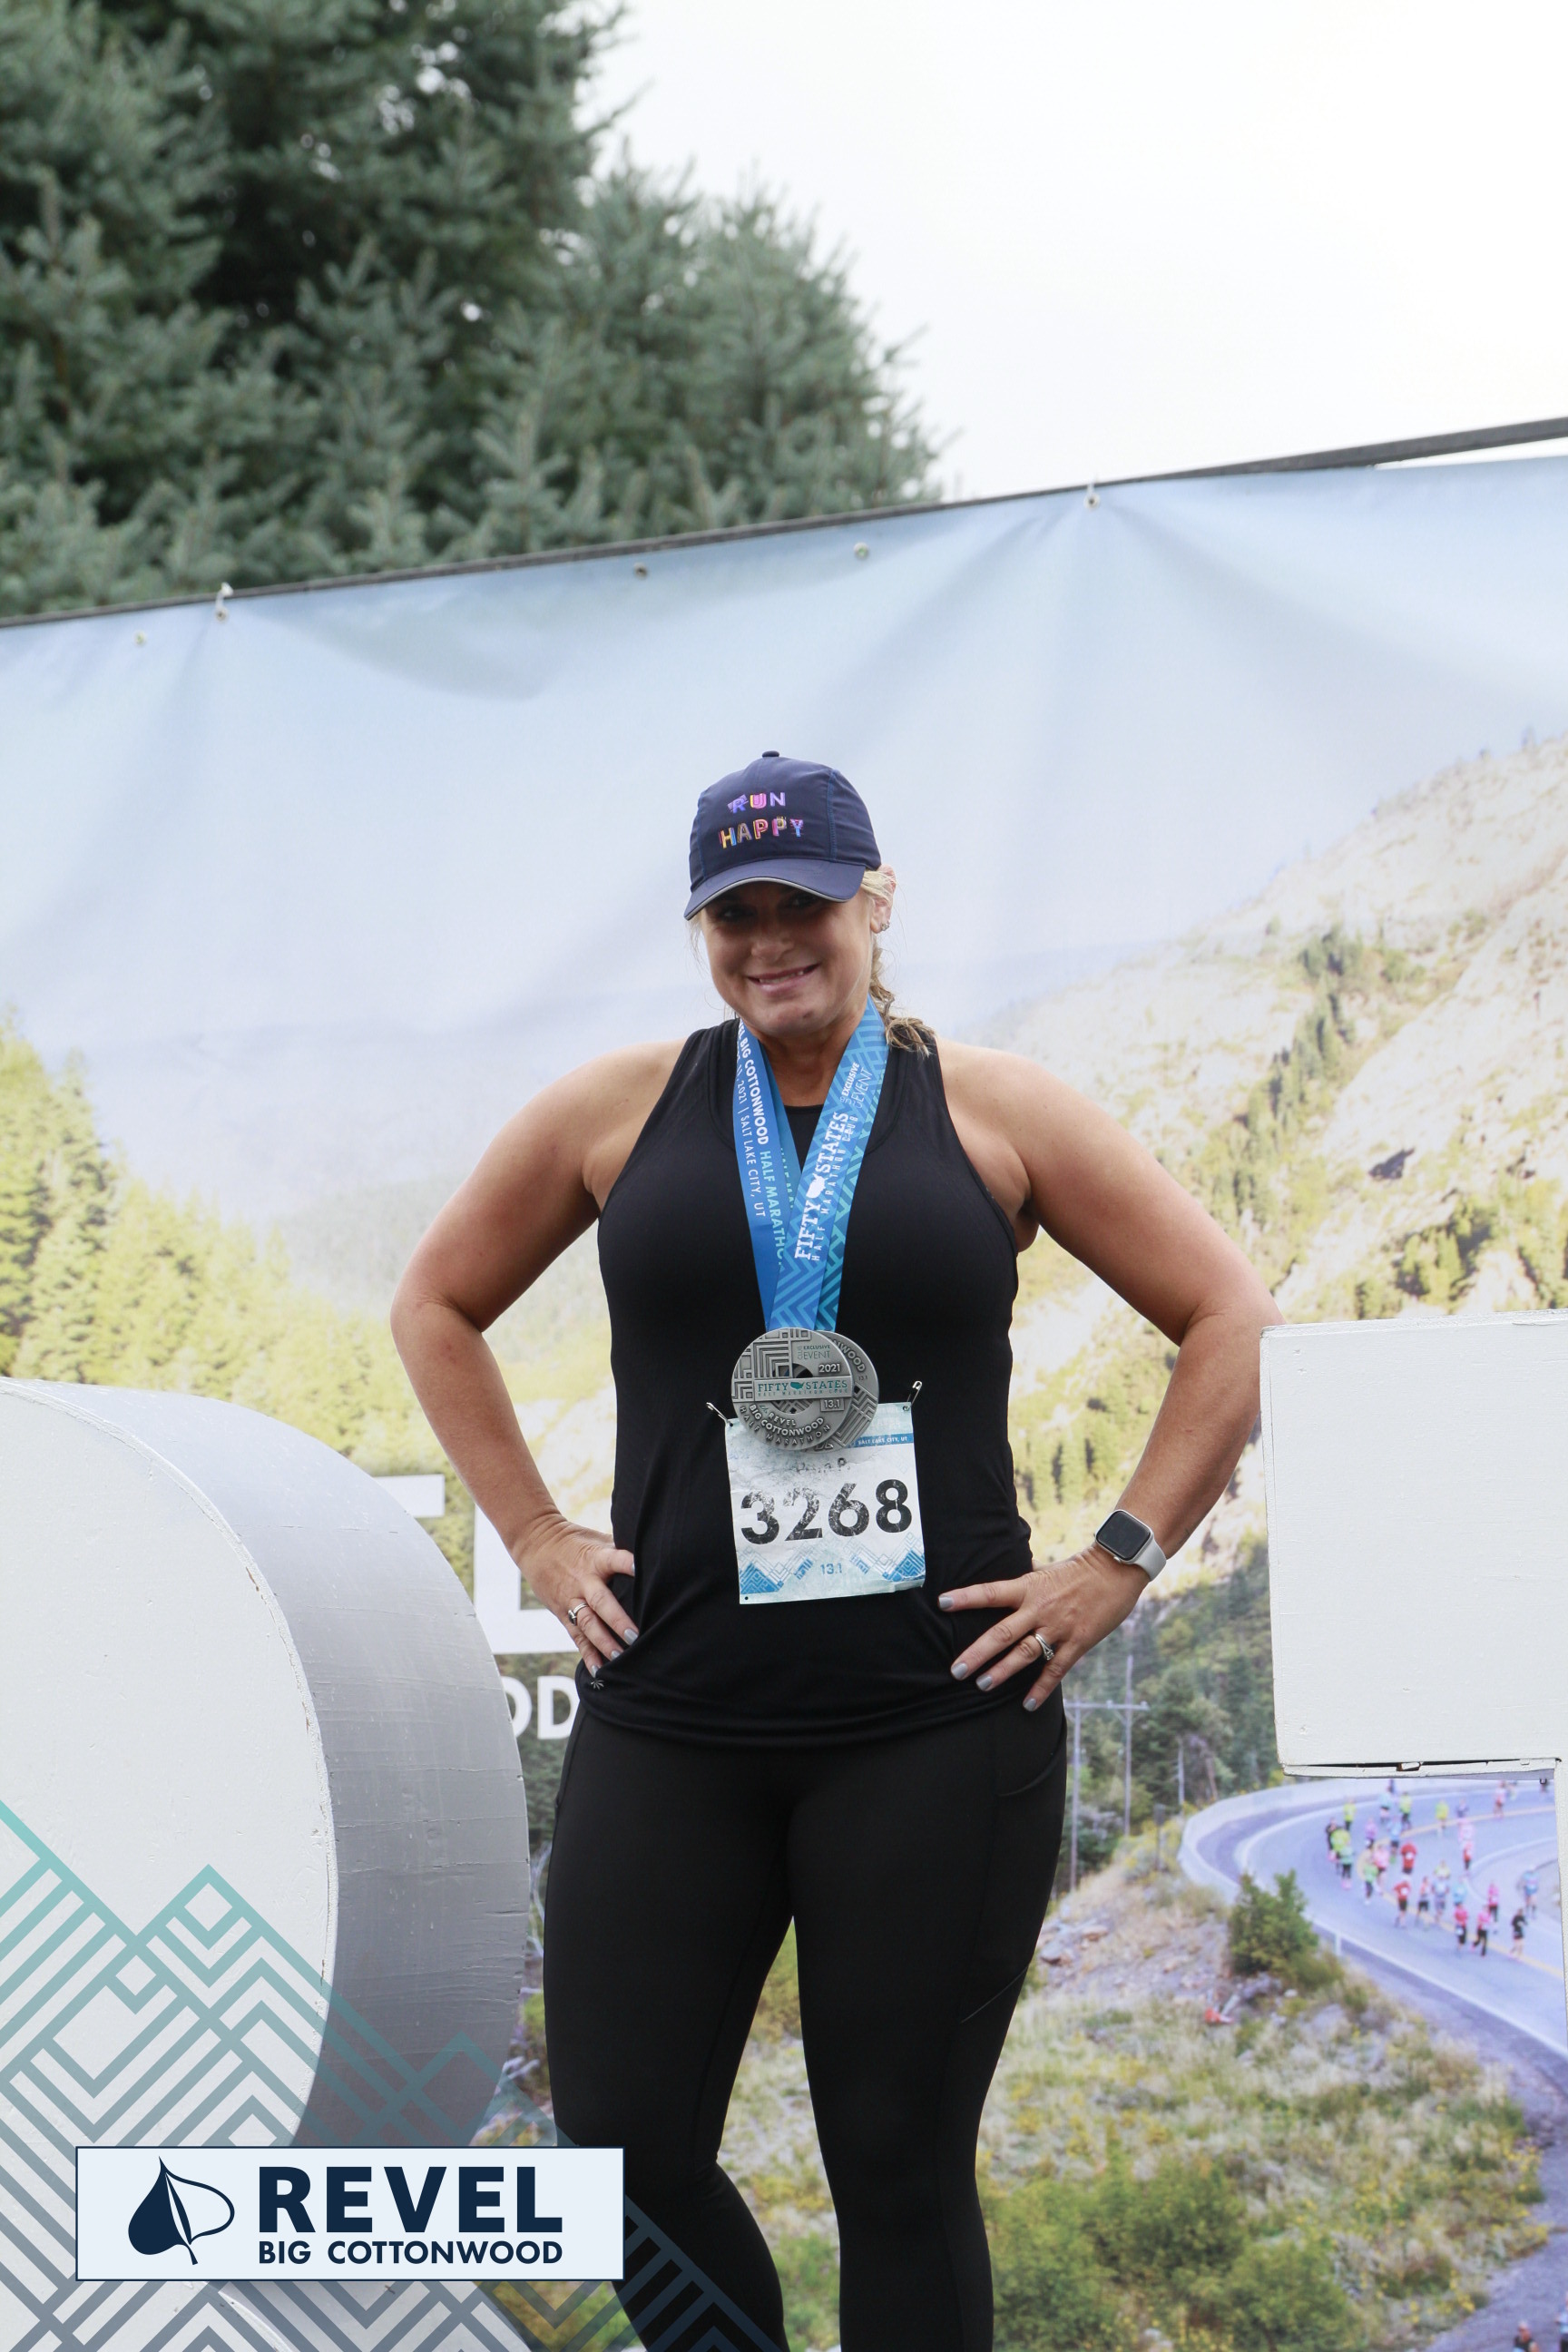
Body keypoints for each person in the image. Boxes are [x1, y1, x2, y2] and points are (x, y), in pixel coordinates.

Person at [390, 755, 1279, 2352]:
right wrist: (534, 1532)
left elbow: (1230, 1316)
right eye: (732, 913)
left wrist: (1119, 1560)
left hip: (935, 1725)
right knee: (622, 2148)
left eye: (800, 901)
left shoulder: (996, 1109)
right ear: (701, 930)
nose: (768, 940)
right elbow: (435, 1304)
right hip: (675, 1712)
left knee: (896, 2163)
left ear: (876, 901)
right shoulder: (616, 1111)